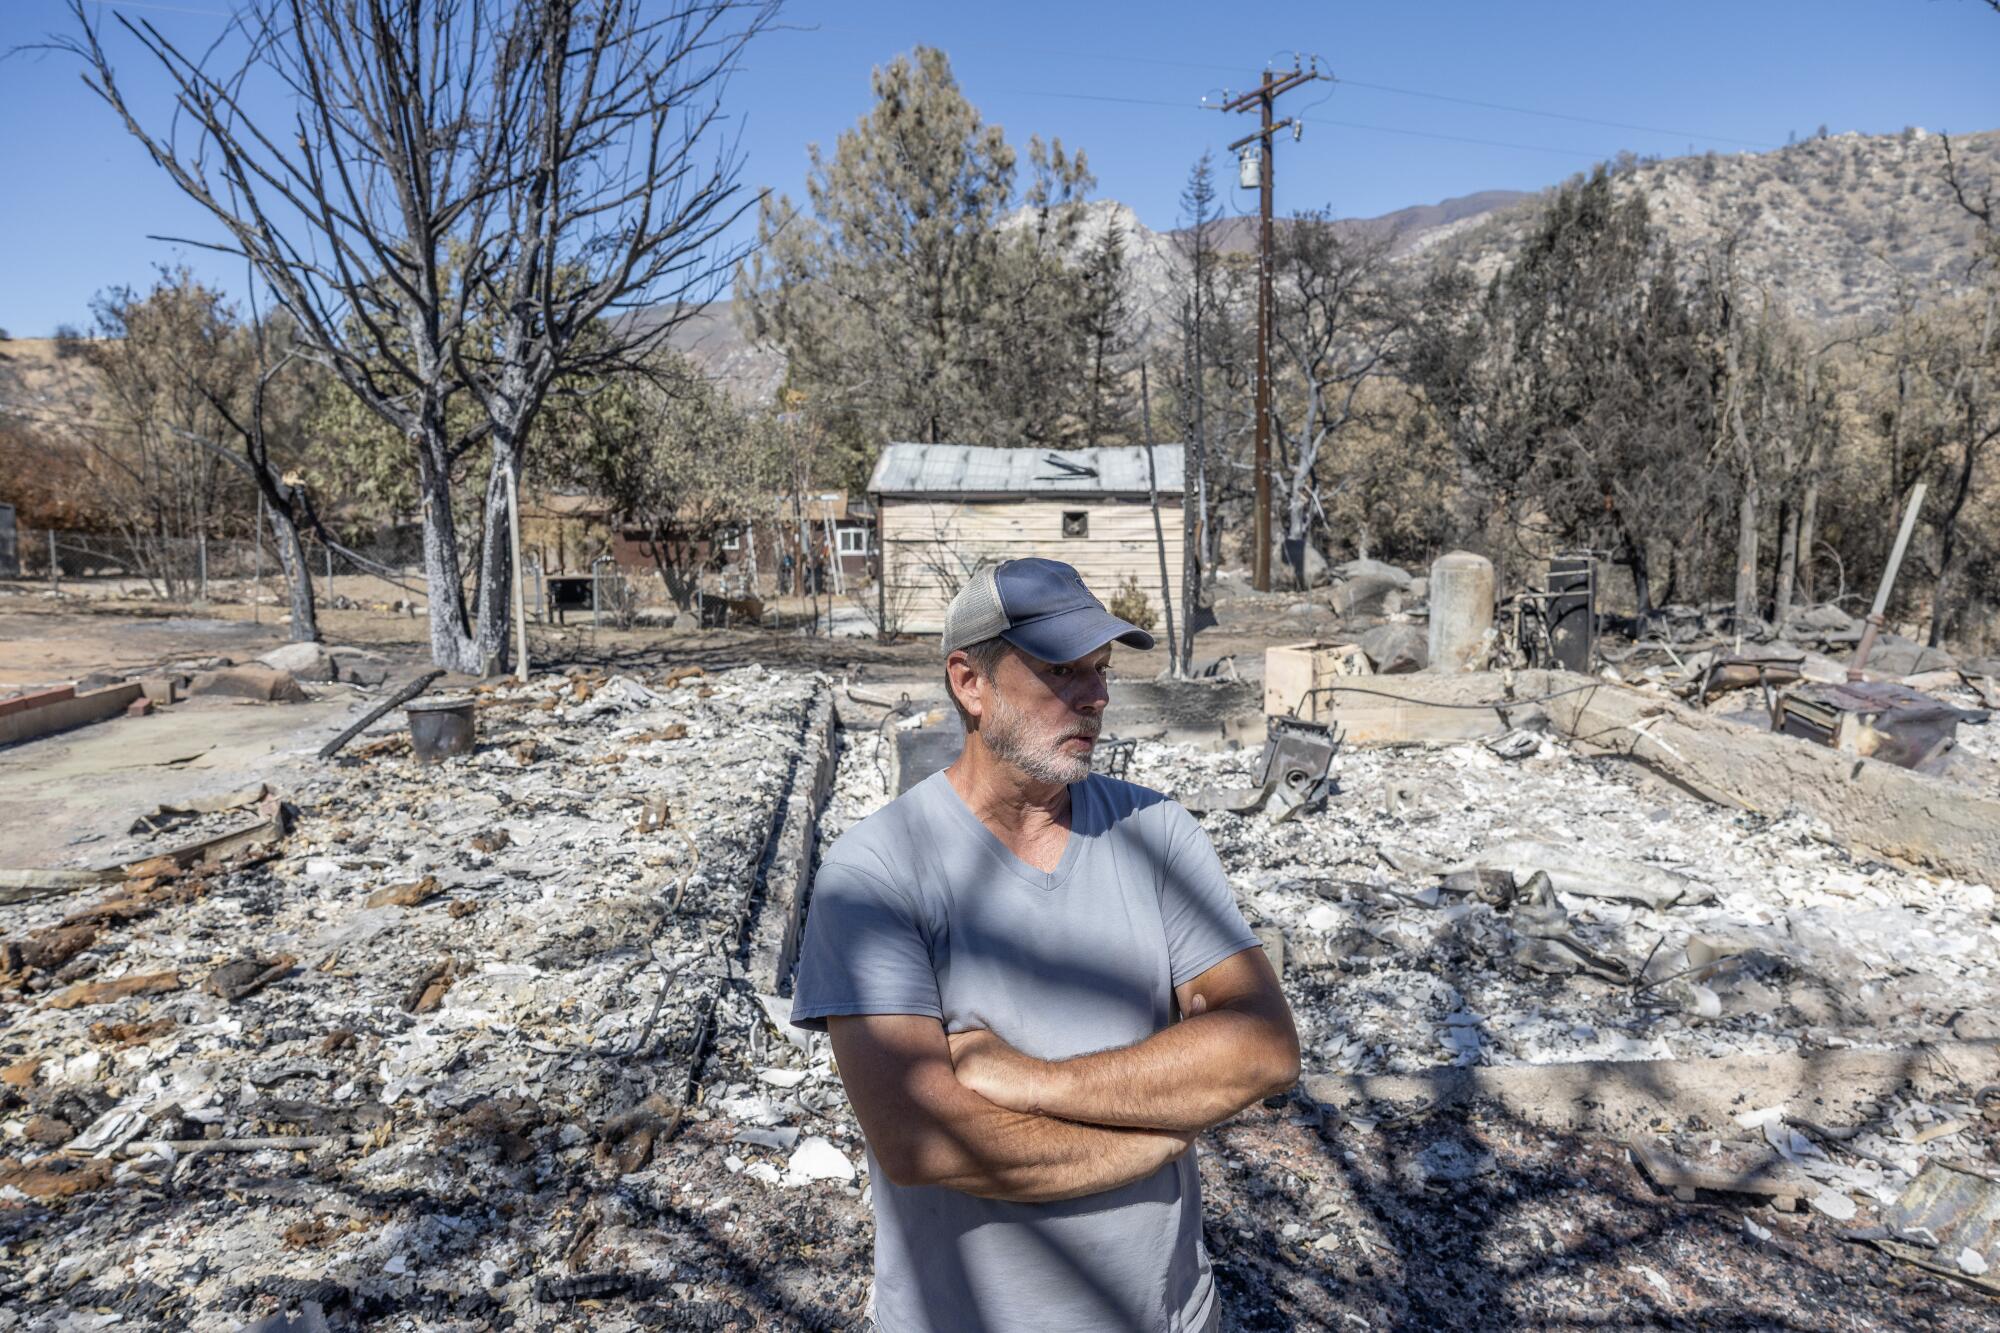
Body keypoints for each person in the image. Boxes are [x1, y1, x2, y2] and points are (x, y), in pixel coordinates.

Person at [789, 557, 1300, 1333]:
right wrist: (1166, 1131)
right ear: (970, 682)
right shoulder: (877, 872)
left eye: (1099, 669)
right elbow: (923, 1139)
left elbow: (1263, 1050)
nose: (1095, 696)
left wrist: (1028, 1079)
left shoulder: (1155, 834)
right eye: (1061, 669)